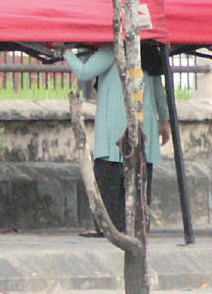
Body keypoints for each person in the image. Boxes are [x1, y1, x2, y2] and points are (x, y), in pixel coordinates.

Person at [63, 41, 170, 235]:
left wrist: (66, 52)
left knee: (109, 182)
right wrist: (164, 121)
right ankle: (137, 226)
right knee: (139, 183)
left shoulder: (112, 51)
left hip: (114, 130)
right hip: (143, 128)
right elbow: (158, 91)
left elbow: (84, 73)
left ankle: (109, 228)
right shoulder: (148, 53)